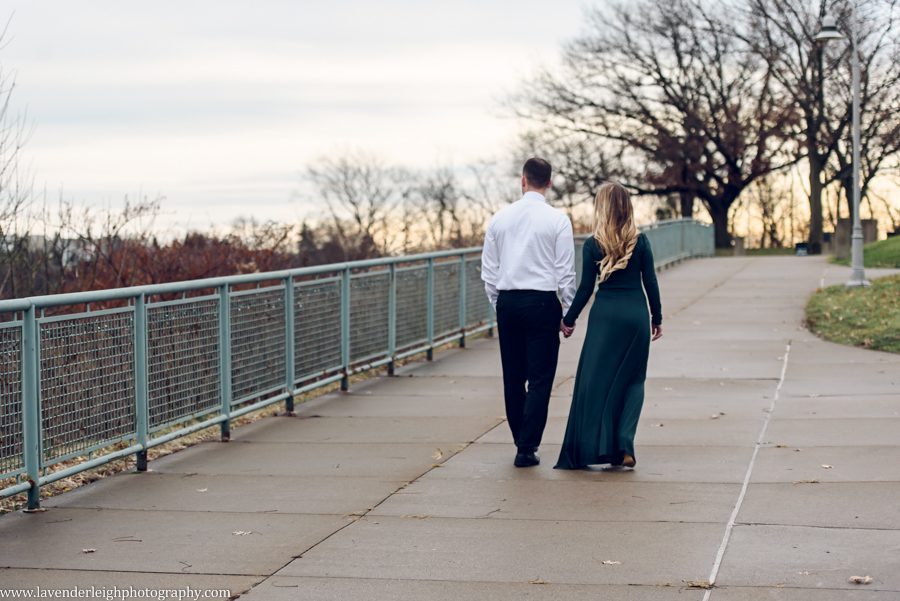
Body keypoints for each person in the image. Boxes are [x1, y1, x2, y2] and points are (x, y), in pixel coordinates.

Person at [554, 181, 662, 470]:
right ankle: (624, 442)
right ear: (627, 207)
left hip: (605, 319)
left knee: (595, 382)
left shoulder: (593, 244)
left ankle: (591, 446)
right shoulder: (641, 241)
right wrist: (657, 317)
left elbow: (586, 287)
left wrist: (569, 318)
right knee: (634, 381)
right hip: (635, 317)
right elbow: (649, 281)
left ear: (601, 208)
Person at [481, 157, 576, 468]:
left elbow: (489, 271)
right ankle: (527, 445)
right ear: (549, 183)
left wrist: (499, 304)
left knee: (513, 376)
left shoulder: (499, 219)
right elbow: (565, 273)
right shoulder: (558, 220)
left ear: (523, 180)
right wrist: (568, 311)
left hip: (508, 301)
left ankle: (519, 439)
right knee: (539, 378)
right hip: (542, 302)